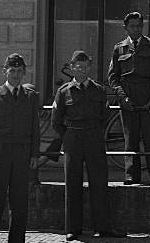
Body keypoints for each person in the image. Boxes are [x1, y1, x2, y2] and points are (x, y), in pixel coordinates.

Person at [51, 50, 123, 240]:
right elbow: (56, 120)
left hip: (93, 137)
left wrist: (94, 132)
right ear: (72, 67)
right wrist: (68, 136)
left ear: (90, 67)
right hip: (73, 137)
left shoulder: (98, 90)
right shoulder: (64, 91)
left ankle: (103, 227)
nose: (82, 70)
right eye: (78, 67)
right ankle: (73, 229)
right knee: (72, 183)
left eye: (85, 67)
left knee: (99, 182)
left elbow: (105, 115)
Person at [0, 52, 41, 243]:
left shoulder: (30, 96)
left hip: (22, 155)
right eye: (12, 70)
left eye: (19, 71)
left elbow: (34, 128)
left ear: (24, 73)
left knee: (20, 203)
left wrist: (34, 154)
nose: (16, 75)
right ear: (5, 72)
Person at [107, 11, 150, 185]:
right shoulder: (119, 48)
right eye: (132, 26)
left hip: (147, 95)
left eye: (139, 26)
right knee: (130, 137)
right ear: (125, 28)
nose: (136, 29)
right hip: (128, 96)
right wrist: (122, 97)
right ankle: (131, 176)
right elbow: (113, 77)